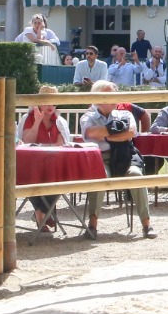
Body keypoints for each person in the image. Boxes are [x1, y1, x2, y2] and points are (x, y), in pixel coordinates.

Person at [79, 82, 153, 239]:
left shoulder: (125, 114)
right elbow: (91, 132)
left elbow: (131, 132)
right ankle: (92, 225)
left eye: (115, 94)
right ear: (99, 97)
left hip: (124, 157)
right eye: (110, 94)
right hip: (100, 159)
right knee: (99, 178)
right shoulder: (88, 116)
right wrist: (117, 129)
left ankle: (147, 225)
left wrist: (105, 135)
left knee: (136, 176)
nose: (115, 98)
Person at [19, 85, 71, 234]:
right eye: (47, 102)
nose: (51, 106)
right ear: (39, 102)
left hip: (53, 163)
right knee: (30, 177)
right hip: (32, 163)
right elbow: (26, 142)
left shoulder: (59, 121)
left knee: (60, 176)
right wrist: (37, 122)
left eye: (54, 103)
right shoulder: (28, 118)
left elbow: (62, 143)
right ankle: (43, 213)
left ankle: (41, 212)